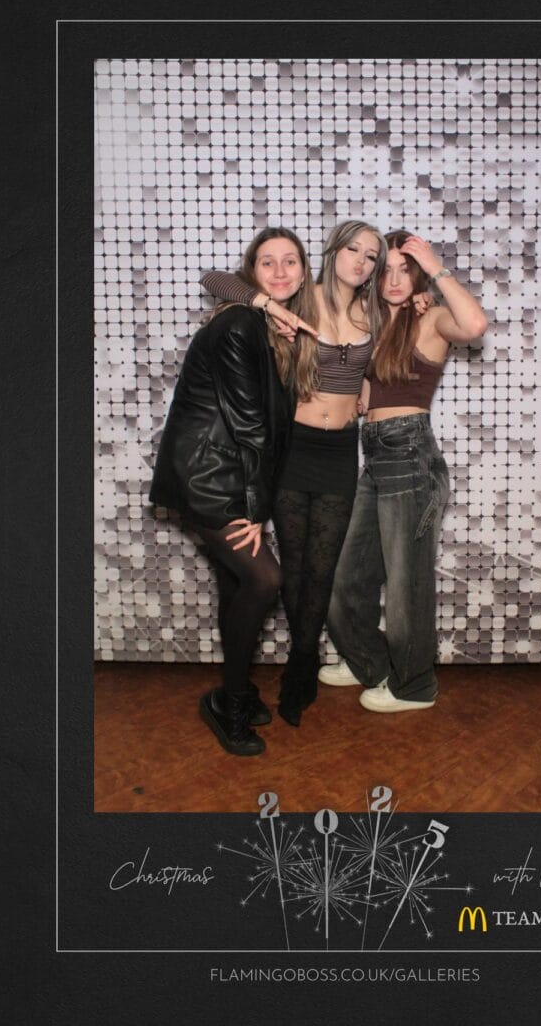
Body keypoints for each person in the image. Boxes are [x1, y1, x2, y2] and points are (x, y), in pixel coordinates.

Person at [200, 220, 389, 726]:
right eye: (353, 249)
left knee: (321, 571)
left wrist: (367, 387)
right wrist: (266, 304)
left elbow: (378, 363)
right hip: (293, 449)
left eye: (371, 256)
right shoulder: (300, 299)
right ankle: (299, 665)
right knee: (295, 564)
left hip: (340, 452)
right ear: (332, 251)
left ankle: (301, 665)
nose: (361, 261)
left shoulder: (375, 310)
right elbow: (214, 280)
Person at [149, 228, 317, 755]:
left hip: (222, 470)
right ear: (252, 273)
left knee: (236, 582)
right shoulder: (242, 322)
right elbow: (252, 428)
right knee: (265, 579)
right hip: (209, 476)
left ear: (304, 273)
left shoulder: (269, 331)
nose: (280, 271)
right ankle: (228, 701)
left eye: (290, 261)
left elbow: (269, 422)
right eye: (267, 262)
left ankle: (235, 692)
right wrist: (258, 511)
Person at [322, 231, 488, 712]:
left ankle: (415, 686)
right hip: (375, 457)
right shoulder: (374, 321)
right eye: (386, 270)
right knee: (345, 577)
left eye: (405, 270)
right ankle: (371, 664)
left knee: (405, 584)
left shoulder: (431, 317)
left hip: (411, 457)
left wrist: (435, 269)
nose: (394, 280)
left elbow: (475, 324)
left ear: (418, 275)